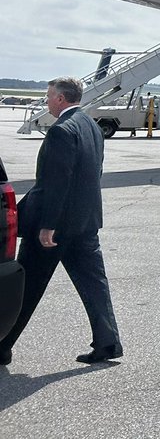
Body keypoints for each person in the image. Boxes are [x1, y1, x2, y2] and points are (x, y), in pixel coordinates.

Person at [0, 77, 122, 366]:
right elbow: (92, 174)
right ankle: (108, 343)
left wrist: (48, 225)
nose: (46, 101)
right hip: (85, 223)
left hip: (54, 228)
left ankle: (3, 345)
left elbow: (56, 183)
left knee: (27, 287)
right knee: (95, 285)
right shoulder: (91, 126)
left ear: (60, 99)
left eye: (48, 96)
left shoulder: (61, 131)